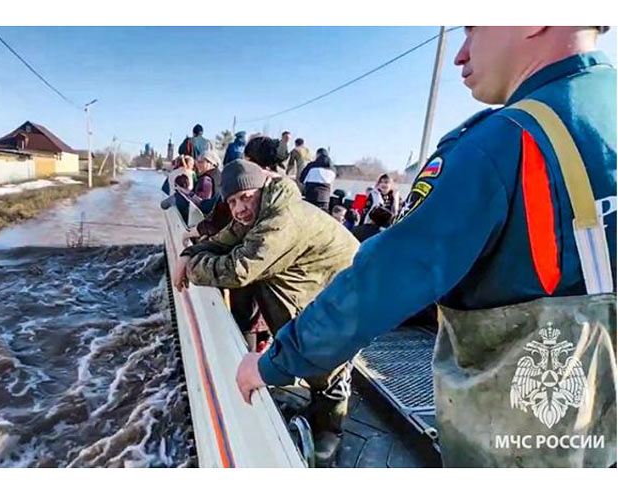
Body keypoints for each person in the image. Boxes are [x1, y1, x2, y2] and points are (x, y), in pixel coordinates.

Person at [237, 26, 616, 468]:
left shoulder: (499, 144)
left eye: (473, 27)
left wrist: (272, 363)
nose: (461, 53)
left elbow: (384, 279)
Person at [173, 160, 360, 467]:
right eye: (232, 201)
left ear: (261, 189)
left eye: (245, 197)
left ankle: (331, 428)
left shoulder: (282, 219)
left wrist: (191, 267)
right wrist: (191, 252)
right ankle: (317, 402)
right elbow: (229, 236)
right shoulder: (260, 211)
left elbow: (239, 269)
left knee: (328, 350)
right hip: (319, 278)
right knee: (304, 335)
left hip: (347, 287)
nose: (239, 208)